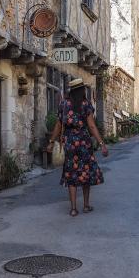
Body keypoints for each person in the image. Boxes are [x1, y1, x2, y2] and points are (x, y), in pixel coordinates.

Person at [46, 78, 108, 216]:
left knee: (71, 174)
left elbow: (58, 125)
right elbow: (91, 126)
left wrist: (51, 141)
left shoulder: (64, 104)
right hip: (84, 143)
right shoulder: (86, 104)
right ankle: (86, 206)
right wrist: (102, 143)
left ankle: (73, 209)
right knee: (86, 172)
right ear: (82, 90)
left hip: (69, 143)